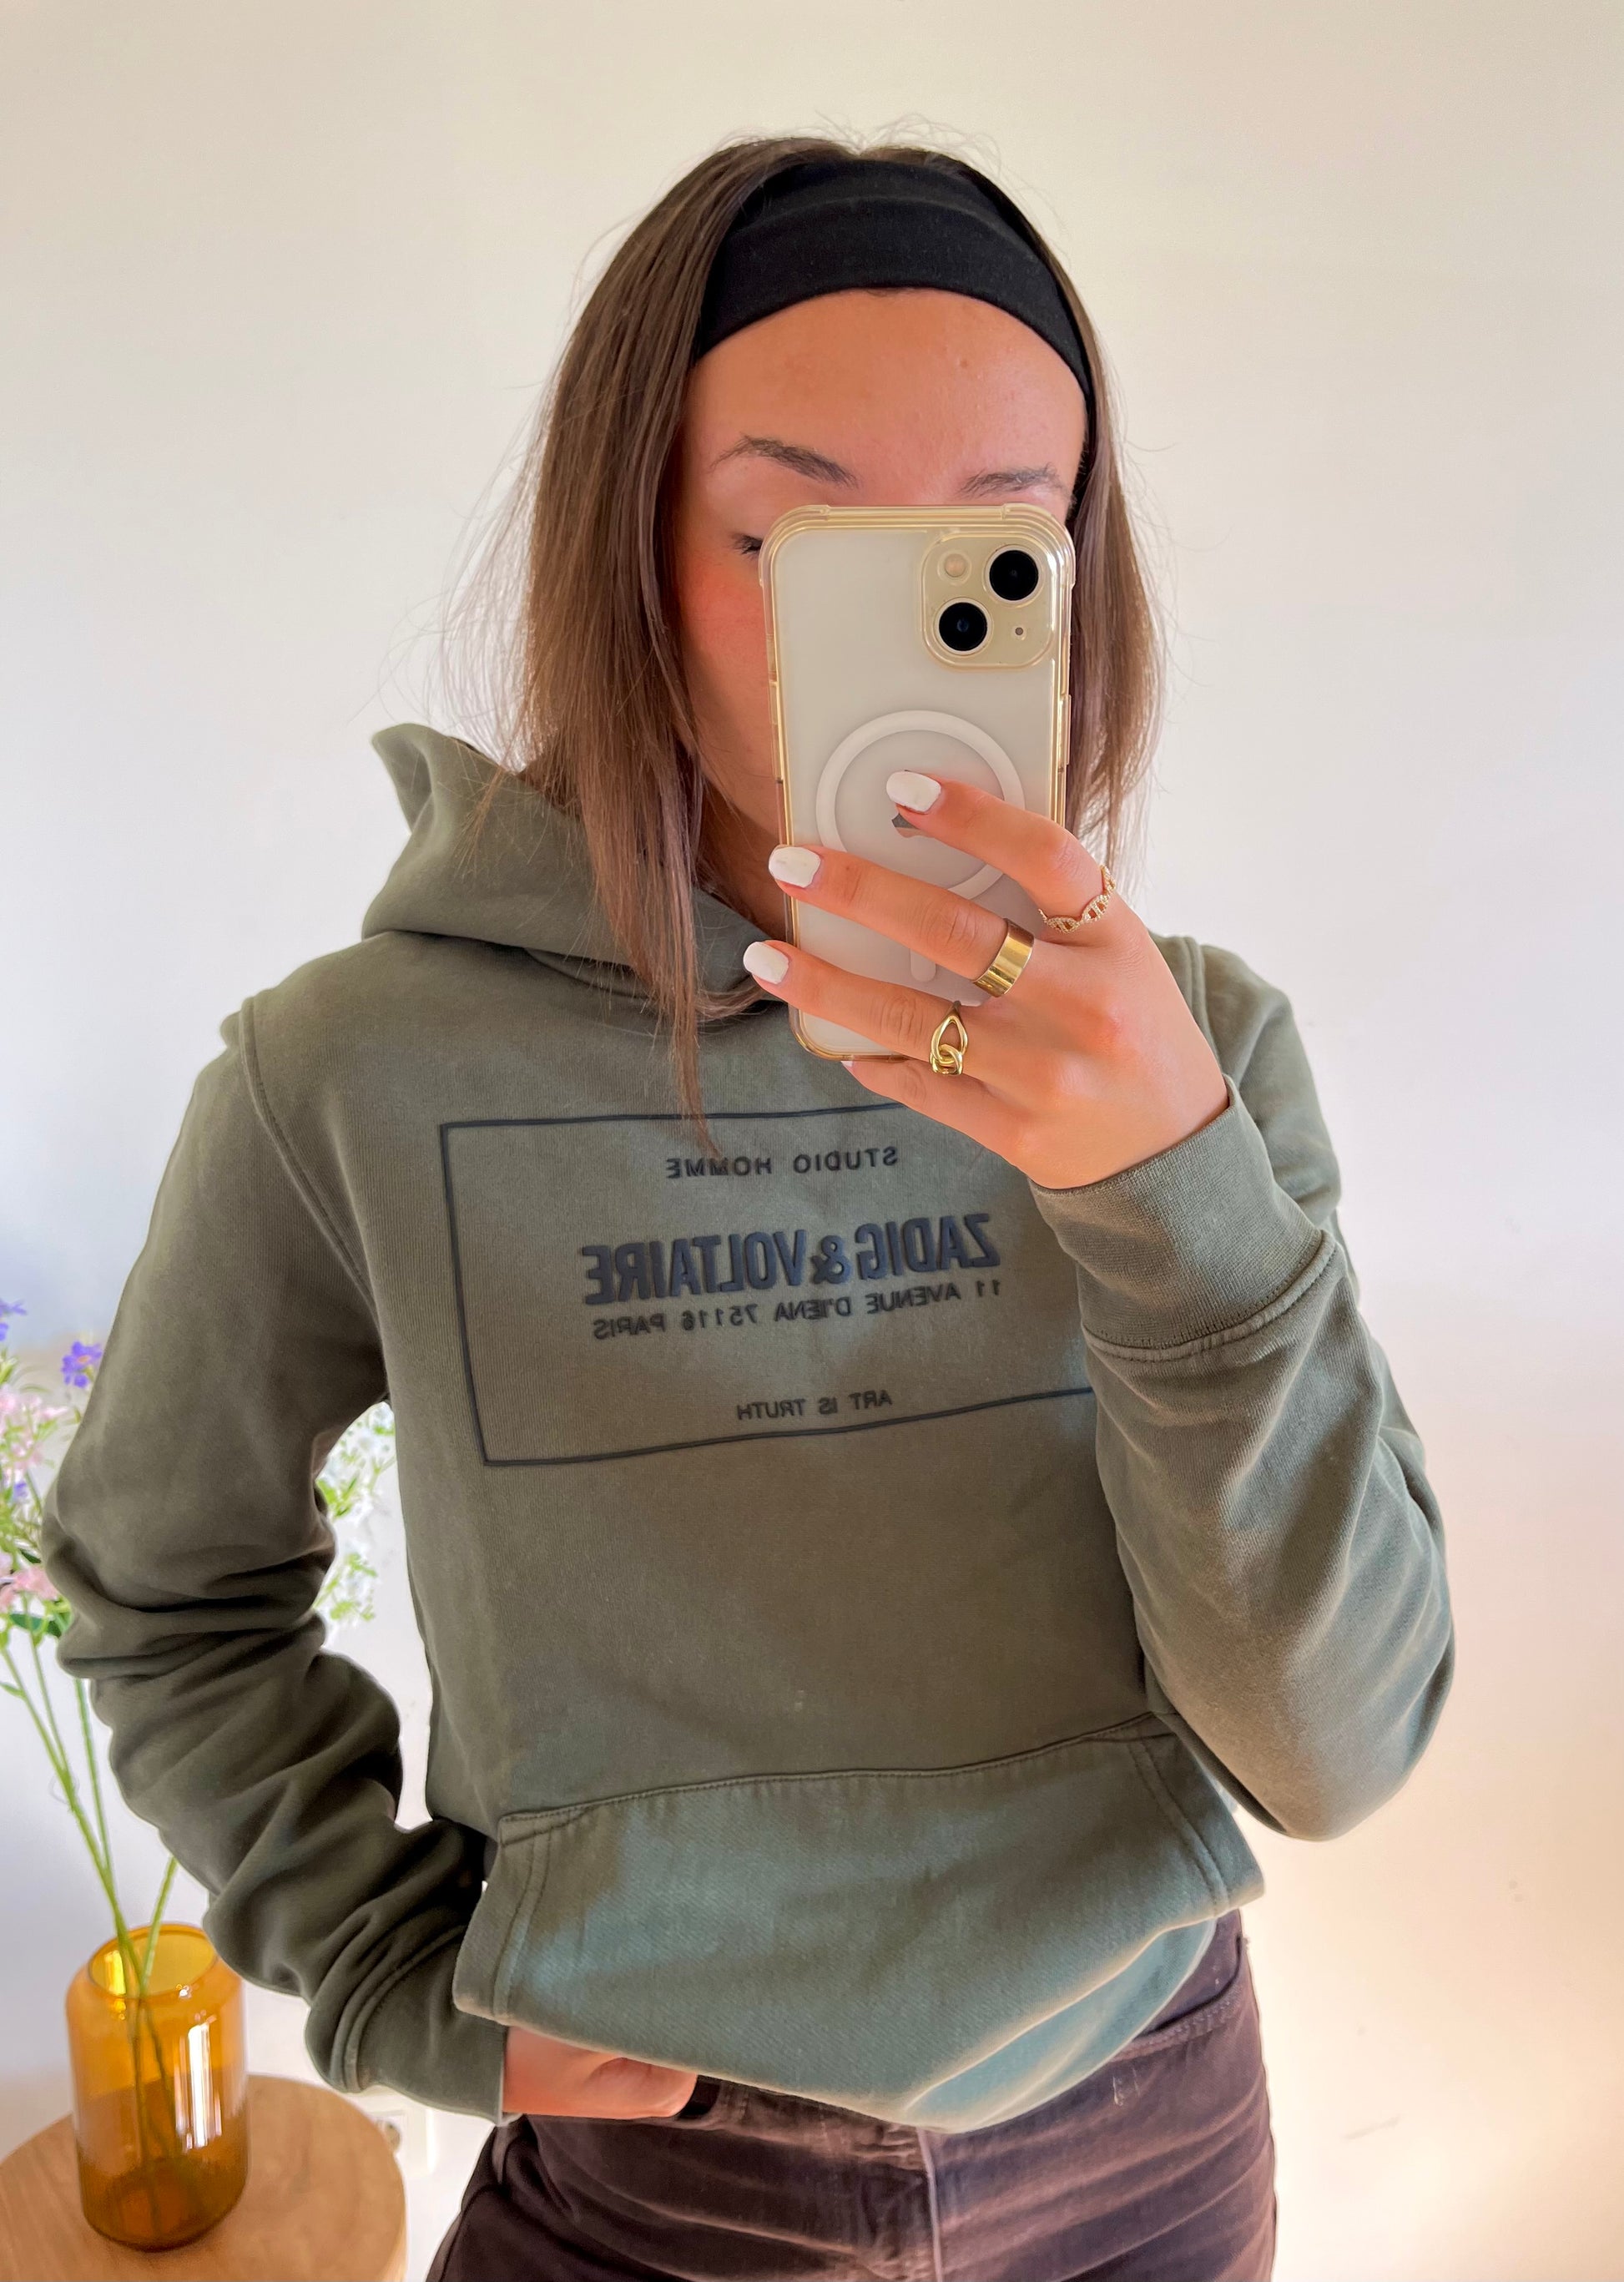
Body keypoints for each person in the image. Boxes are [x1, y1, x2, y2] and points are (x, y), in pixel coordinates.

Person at [44, 139, 1454, 2282]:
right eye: (792, 535)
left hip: (1146, 2129)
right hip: (651, 2170)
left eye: (1000, 539)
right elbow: (162, 1587)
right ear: (629, 544)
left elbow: (1333, 1750)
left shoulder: (1194, 1051)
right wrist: (387, 1964)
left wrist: (1171, 1184)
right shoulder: (346, 1068)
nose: (891, 615)